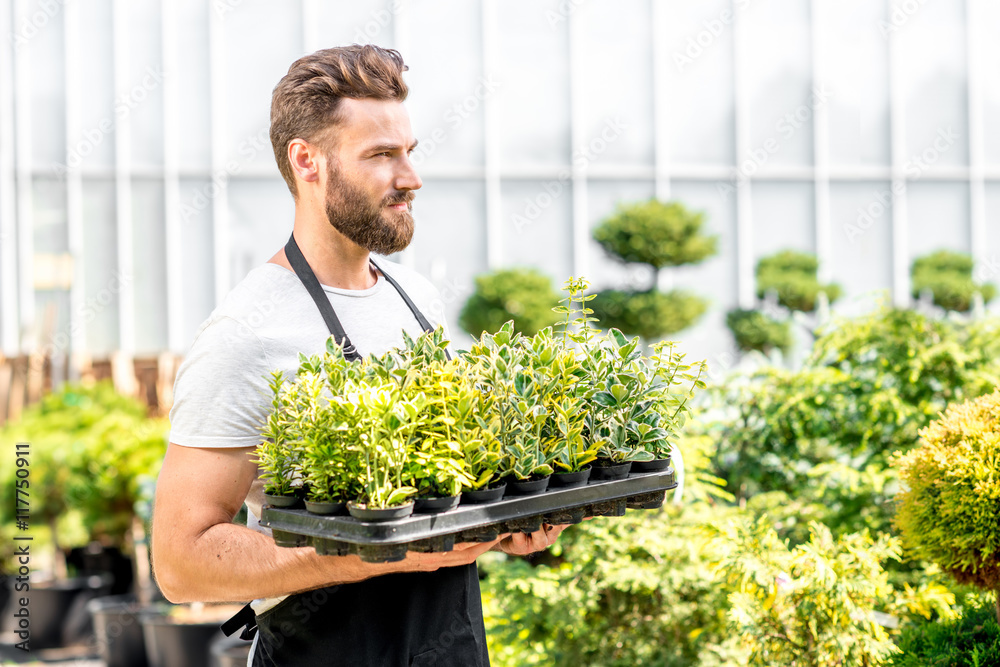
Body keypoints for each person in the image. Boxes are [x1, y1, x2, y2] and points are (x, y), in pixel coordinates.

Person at [151, 45, 567, 666]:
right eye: (381, 155)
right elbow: (180, 563)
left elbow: (442, 498)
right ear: (307, 161)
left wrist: (501, 524)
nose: (410, 178)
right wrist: (368, 553)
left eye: (409, 152)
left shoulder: (416, 301)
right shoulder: (247, 333)